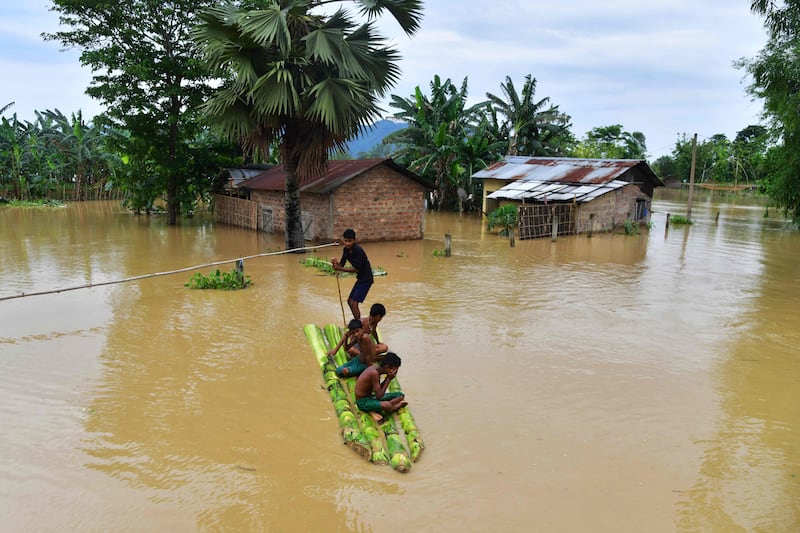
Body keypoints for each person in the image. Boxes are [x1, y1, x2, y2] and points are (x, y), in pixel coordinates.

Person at [331, 228, 373, 320]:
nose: (347, 243)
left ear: (354, 240)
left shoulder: (358, 250)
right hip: (360, 278)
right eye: (345, 241)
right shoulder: (345, 250)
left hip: (366, 279)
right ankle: (358, 322)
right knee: (349, 301)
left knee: (354, 303)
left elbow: (356, 269)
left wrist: (340, 269)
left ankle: (358, 326)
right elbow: (341, 264)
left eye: (349, 241)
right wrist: (335, 262)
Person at [354, 352, 407, 422]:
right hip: (363, 402)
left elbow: (378, 390)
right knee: (386, 405)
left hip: (371, 396)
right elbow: (379, 396)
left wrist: (388, 378)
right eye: (394, 369)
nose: (395, 372)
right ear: (387, 367)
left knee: (400, 395)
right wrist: (388, 379)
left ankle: (385, 406)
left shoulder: (377, 370)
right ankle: (392, 408)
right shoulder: (374, 373)